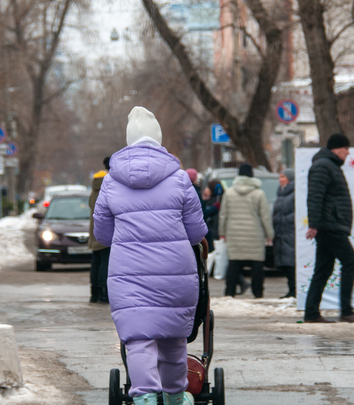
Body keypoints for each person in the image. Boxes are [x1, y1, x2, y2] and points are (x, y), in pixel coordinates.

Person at [94, 106, 207, 405]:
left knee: (139, 339)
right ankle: (174, 397)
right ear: (158, 140)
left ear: (129, 140)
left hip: (128, 274)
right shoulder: (180, 178)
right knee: (173, 339)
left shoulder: (110, 181)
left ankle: (144, 398)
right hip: (176, 272)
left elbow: (102, 235)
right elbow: (197, 233)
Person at [304, 133, 354, 323]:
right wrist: (314, 225)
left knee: (323, 270)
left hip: (330, 224)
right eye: (345, 149)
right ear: (336, 149)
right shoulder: (323, 166)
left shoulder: (329, 166)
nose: (348, 153)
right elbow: (315, 197)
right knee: (349, 262)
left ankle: (312, 313)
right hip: (329, 225)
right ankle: (346, 311)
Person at [219, 164, 273, 299]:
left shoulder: (229, 193)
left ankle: (229, 292)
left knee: (234, 264)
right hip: (255, 234)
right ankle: (258, 292)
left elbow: (223, 215)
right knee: (257, 265)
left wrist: (222, 232)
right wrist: (269, 234)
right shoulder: (259, 193)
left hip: (234, 234)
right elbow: (265, 216)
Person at [88, 156, 111, 304]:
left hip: (94, 228)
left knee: (96, 260)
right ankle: (104, 293)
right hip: (106, 227)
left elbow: (91, 204)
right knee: (105, 261)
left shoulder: (95, 184)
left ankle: (94, 293)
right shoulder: (109, 184)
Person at [273, 168, 296, 299]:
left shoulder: (293, 193)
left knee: (290, 262)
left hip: (289, 231)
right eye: (280, 177)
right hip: (281, 231)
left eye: (283, 177)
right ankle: (291, 289)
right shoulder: (280, 193)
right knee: (284, 263)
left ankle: (294, 289)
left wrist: (287, 219)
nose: (280, 179)